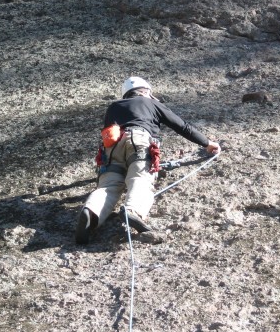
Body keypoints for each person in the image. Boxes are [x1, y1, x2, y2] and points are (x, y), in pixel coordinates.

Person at [75, 77, 221, 244]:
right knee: (140, 178)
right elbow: (182, 126)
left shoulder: (114, 106)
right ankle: (133, 210)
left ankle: (92, 212)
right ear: (146, 91)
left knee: (109, 185)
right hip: (140, 140)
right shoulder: (151, 103)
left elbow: (108, 131)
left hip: (112, 146)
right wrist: (207, 143)